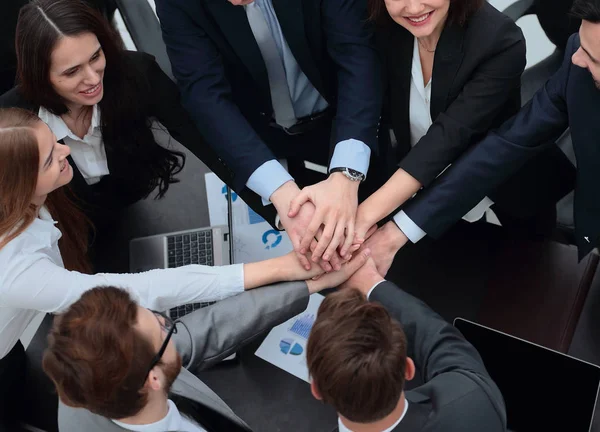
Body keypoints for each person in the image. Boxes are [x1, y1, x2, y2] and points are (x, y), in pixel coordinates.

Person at [0, 107, 353, 428]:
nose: (64, 150)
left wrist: (299, 282)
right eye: (49, 159)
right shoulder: (17, 271)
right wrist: (278, 269)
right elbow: (141, 293)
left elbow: (197, 335)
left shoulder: (91, 388)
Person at [307, 0, 576, 259]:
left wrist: (360, 219)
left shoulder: (499, 40)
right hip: (414, 195)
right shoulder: (379, 25)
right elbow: (360, 99)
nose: (413, 8)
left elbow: (448, 139)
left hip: (503, 190)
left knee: (531, 282)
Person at [1, 0, 258, 270]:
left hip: (131, 212)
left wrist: (277, 206)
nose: (92, 79)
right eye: (72, 71)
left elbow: (210, 143)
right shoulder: (11, 119)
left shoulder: (136, 73)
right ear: (40, 75)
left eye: (95, 57)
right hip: (60, 242)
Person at [155, 0, 382, 270]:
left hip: (342, 117)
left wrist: (346, 175)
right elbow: (205, 95)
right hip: (258, 137)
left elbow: (356, 56)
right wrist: (283, 196)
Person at [41, 251, 370, 432]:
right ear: (152, 379)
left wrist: (310, 285)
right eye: (163, 328)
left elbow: (207, 330)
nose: (170, 324)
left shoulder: (95, 372)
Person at [305, 260, 506, 431]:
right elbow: (442, 341)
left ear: (316, 390)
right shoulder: (474, 402)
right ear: (408, 369)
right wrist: (370, 283)